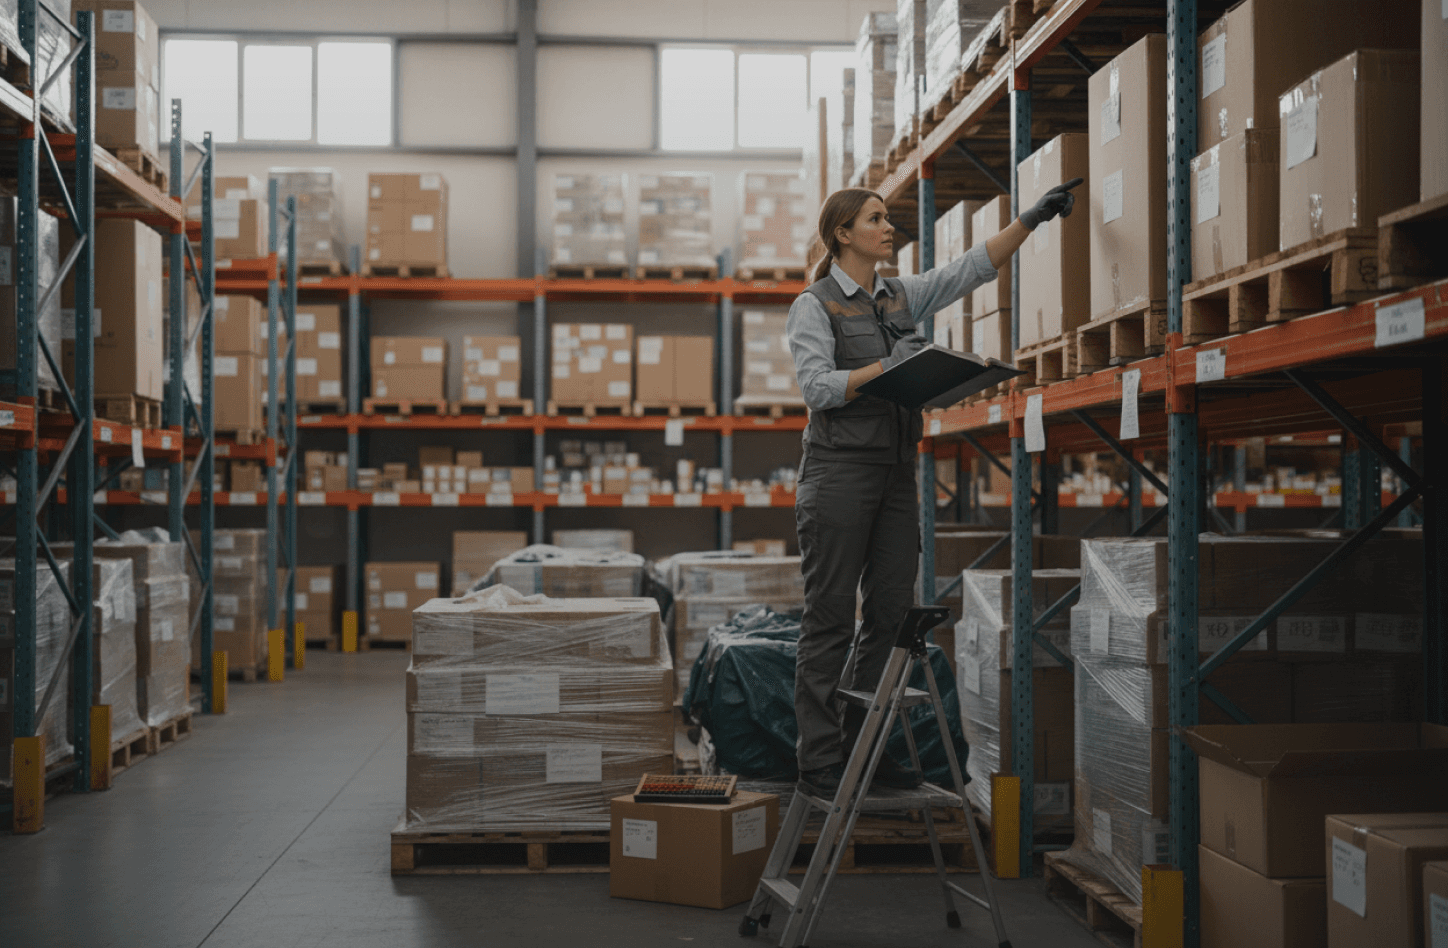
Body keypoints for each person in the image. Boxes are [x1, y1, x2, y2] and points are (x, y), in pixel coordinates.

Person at [786, 180, 1082, 799]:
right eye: (875, 219)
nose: (887, 227)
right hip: (838, 474)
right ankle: (818, 760)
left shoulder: (898, 295)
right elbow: (817, 388)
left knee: (891, 615)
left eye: (887, 217)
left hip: (895, 475)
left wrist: (1030, 218)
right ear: (842, 234)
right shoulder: (814, 305)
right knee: (831, 618)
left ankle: (860, 749)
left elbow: (969, 271)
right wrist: (891, 368)